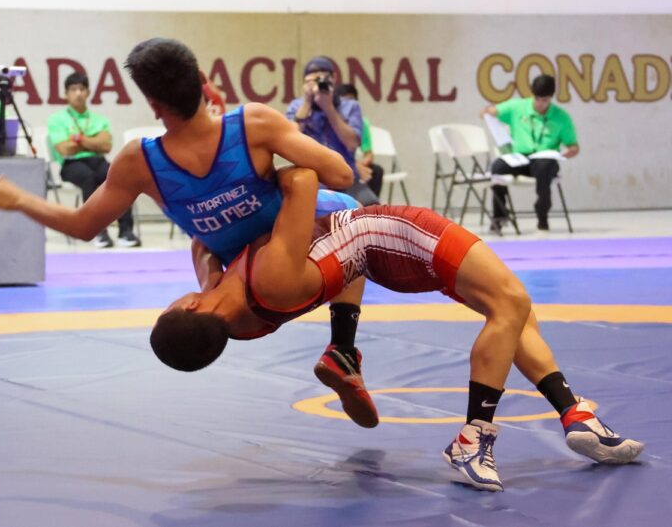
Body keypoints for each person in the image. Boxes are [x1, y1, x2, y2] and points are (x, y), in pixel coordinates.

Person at [143, 166, 644, 492]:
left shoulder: (242, 319)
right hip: (383, 234)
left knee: (512, 314)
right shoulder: (257, 277)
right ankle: (475, 437)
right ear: (187, 307)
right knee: (511, 302)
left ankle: (574, 412)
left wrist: (208, 274)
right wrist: (250, 158)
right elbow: (301, 177)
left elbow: (203, 254)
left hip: (370, 256)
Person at [0, 38, 370, 408]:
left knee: (202, 244)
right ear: (201, 82)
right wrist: (279, 175)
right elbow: (339, 173)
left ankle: (337, 346)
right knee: (324, 205)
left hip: (254, 275)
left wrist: (20, 199)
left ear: (153, 104)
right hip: (305, 246)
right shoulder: (252, 124)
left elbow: (82, 225)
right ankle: (342, 346)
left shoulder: (139, 161)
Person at [47, 72, 141, 248]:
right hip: (71, 164)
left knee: (119, 175)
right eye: (73, 89)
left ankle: (126, 231)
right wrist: (92, 141)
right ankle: (98, 232)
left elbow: (106, 146)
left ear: (88, 92)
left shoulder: (99, 119)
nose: (78, 93)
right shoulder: (56, 120)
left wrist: (78, 139)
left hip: (97, 160)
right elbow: (63, 149)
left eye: (82, 89)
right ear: (66, 94)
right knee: (87, 177)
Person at [482, 74, 580, 233]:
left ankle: (542, 213)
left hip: (545, 160)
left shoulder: (562, 117)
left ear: (551, 97)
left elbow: (574, 146)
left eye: (545, 100)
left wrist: (568, 152)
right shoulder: (517, 107)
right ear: (532, 95)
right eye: (538, 99)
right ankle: (500, 215)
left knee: (544, 167)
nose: (541, 104)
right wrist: (488, 113)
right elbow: (489, 112)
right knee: (497, 167)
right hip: (520, 158)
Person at [286, 57, 379, 206]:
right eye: (311, 81)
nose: (317, 85)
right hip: (312, 178)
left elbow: (352, 143)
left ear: (334, 78)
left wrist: (328, 108)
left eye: (322, 79)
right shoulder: (297, 106)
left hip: (347, 176)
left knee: (371, 205)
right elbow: (289, 141)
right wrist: (307, 103)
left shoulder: (350, 106)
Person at [335, 83, 384, 198]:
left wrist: (359, 166)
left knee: (376, 171)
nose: (348, 106)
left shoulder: (362, 122)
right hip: (336, 162)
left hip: (352, 162)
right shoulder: (330, 120)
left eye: (352, 101)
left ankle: (371, 209)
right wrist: (353, 166)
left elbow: (369, 154)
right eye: (344, 102)